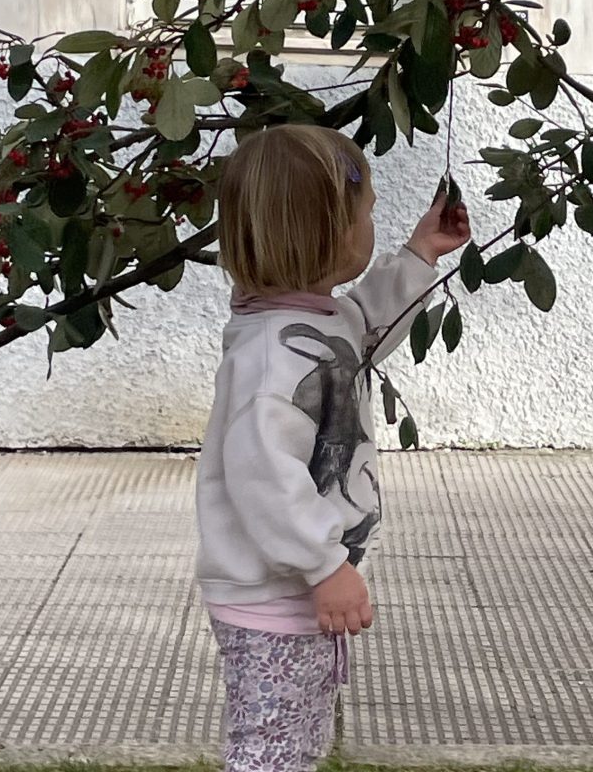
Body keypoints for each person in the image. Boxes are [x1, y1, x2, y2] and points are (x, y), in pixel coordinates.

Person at [195, 124, 471, 772]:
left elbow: (366, 324)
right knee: (271, 752)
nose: (372, 224)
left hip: (291, 586)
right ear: (330, 234)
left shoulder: (310, 318)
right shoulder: (272, 359)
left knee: (293, 743)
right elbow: (264, 480)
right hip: (274, 594)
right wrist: (324, 566)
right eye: (366, 213)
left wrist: (420, 255)